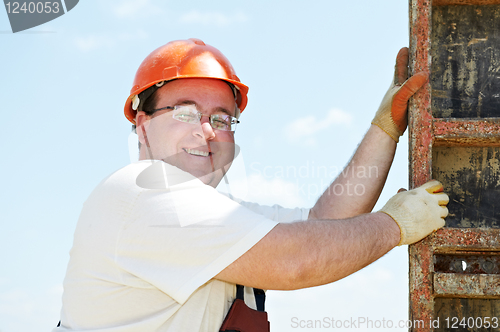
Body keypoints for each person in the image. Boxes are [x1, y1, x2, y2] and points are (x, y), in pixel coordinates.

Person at [54, 38, 449, 331]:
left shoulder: (216, 216)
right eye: (186, 113)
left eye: (222, 119)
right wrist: (394, 225)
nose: (207, 131)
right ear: (142, 124)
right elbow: (295, 261)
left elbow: (323, 222)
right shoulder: (142, 193)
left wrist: (385, 129)